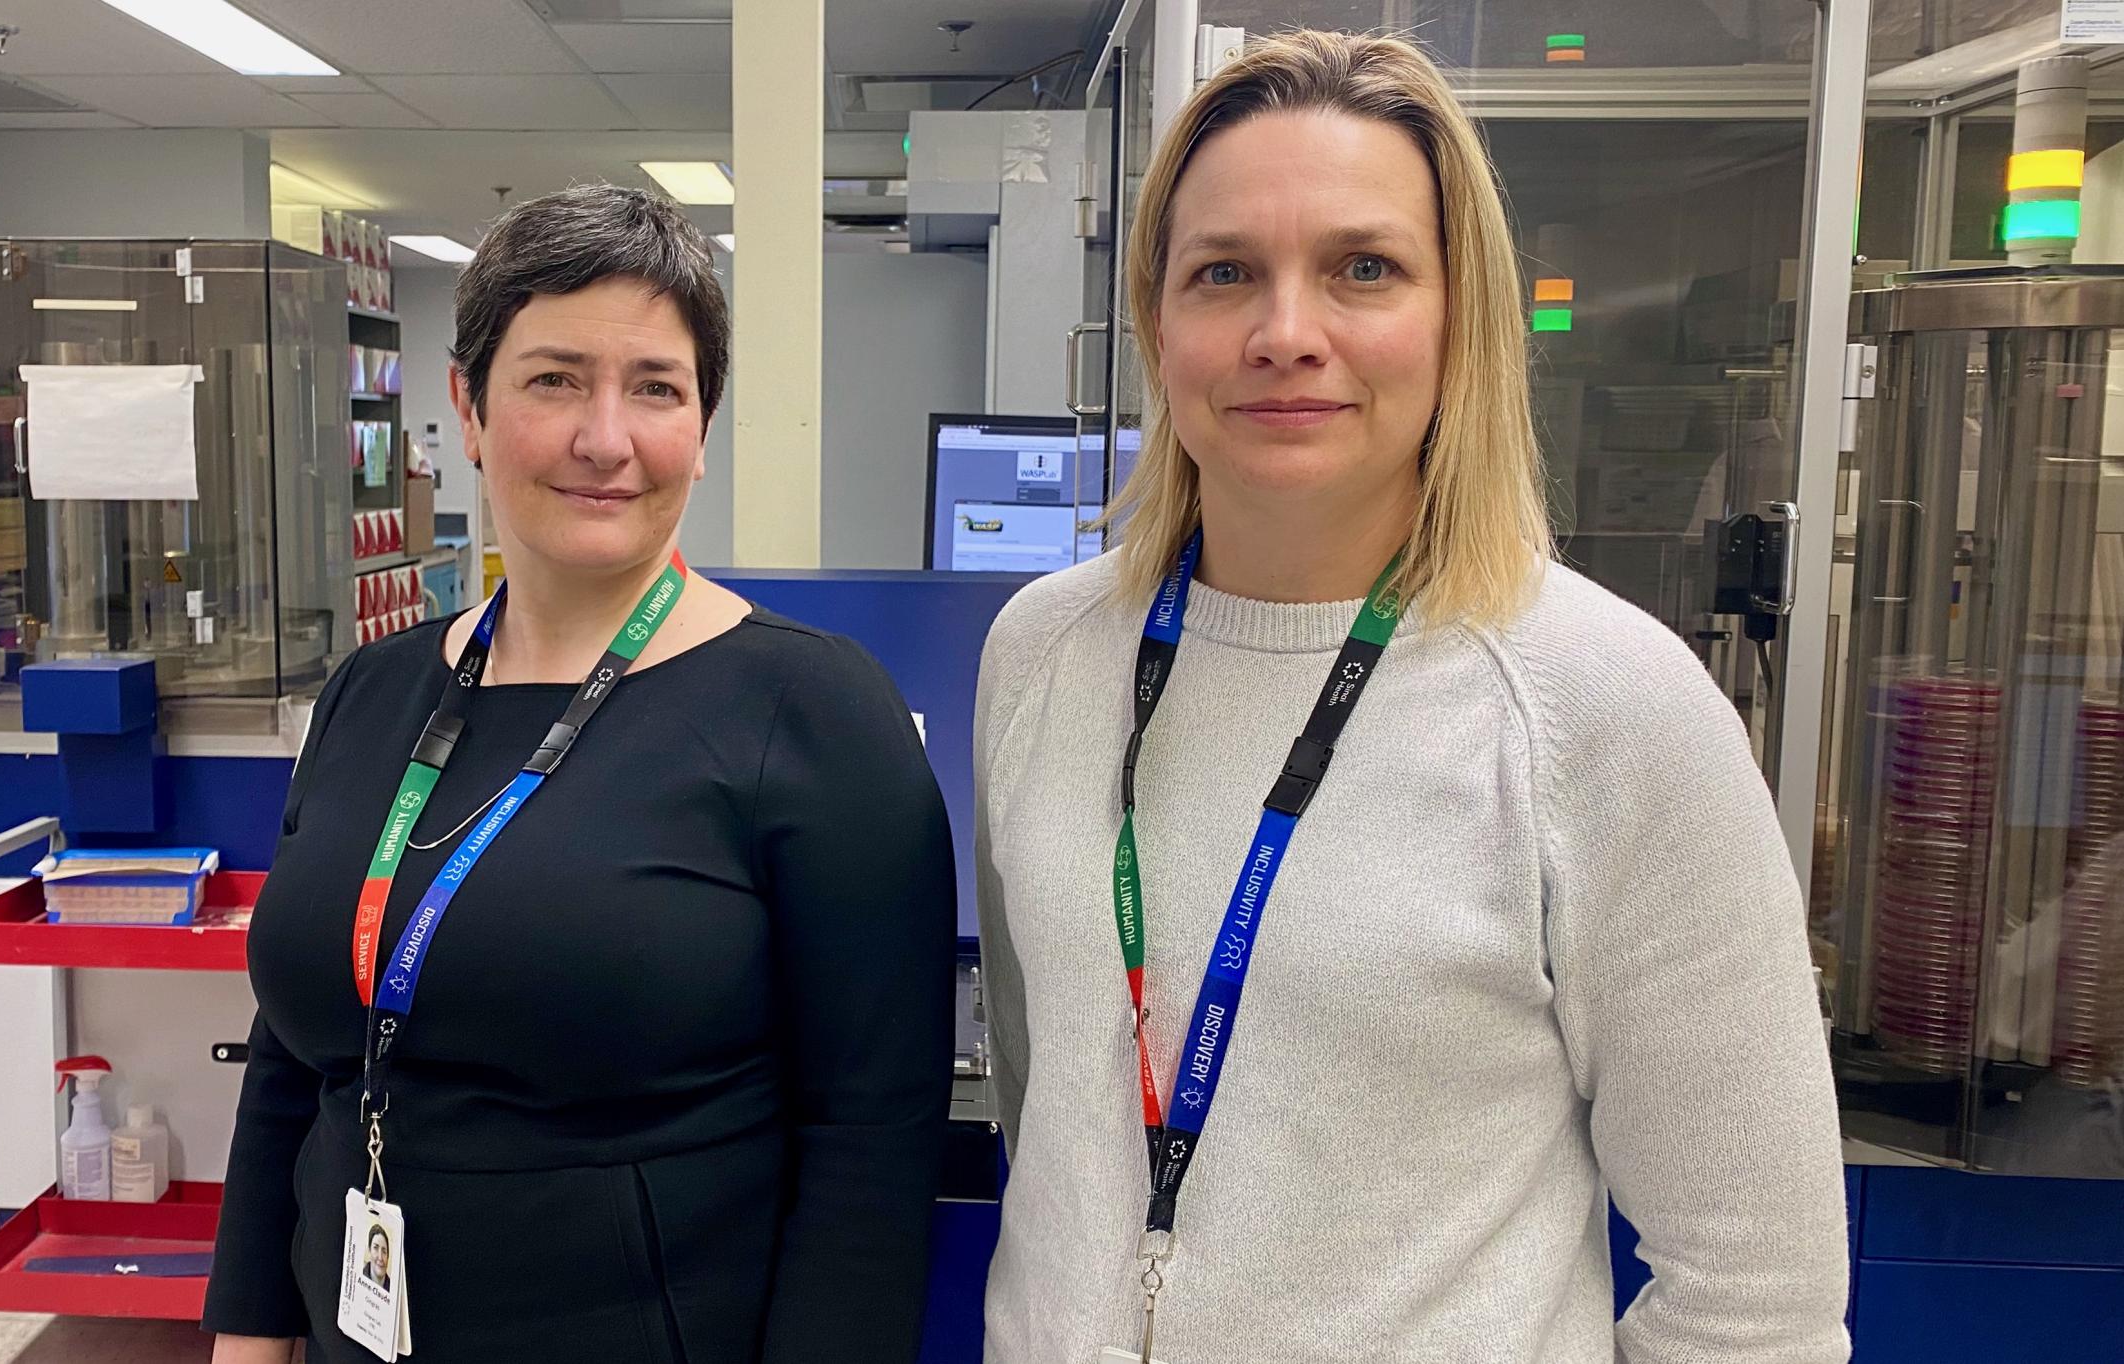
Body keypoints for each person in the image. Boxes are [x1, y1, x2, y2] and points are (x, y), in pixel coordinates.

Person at [971, 30, 1850, 1363]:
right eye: (1224, 274)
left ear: (1460, 320)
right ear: (1157, 321)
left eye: (1361, 269)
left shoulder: (1606, 707)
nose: (1285, 333)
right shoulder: (1042, 655)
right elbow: (1056, 1115)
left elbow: (1757, 1304)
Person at [207, 185, 956, 1364]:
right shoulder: (371, 692)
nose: (604, 437)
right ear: (467, 403)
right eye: (554, 379)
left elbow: (869, 1138)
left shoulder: (809, 713)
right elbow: (295, 1055)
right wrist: (248, 1332)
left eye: (654, 387)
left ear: (702, 425)